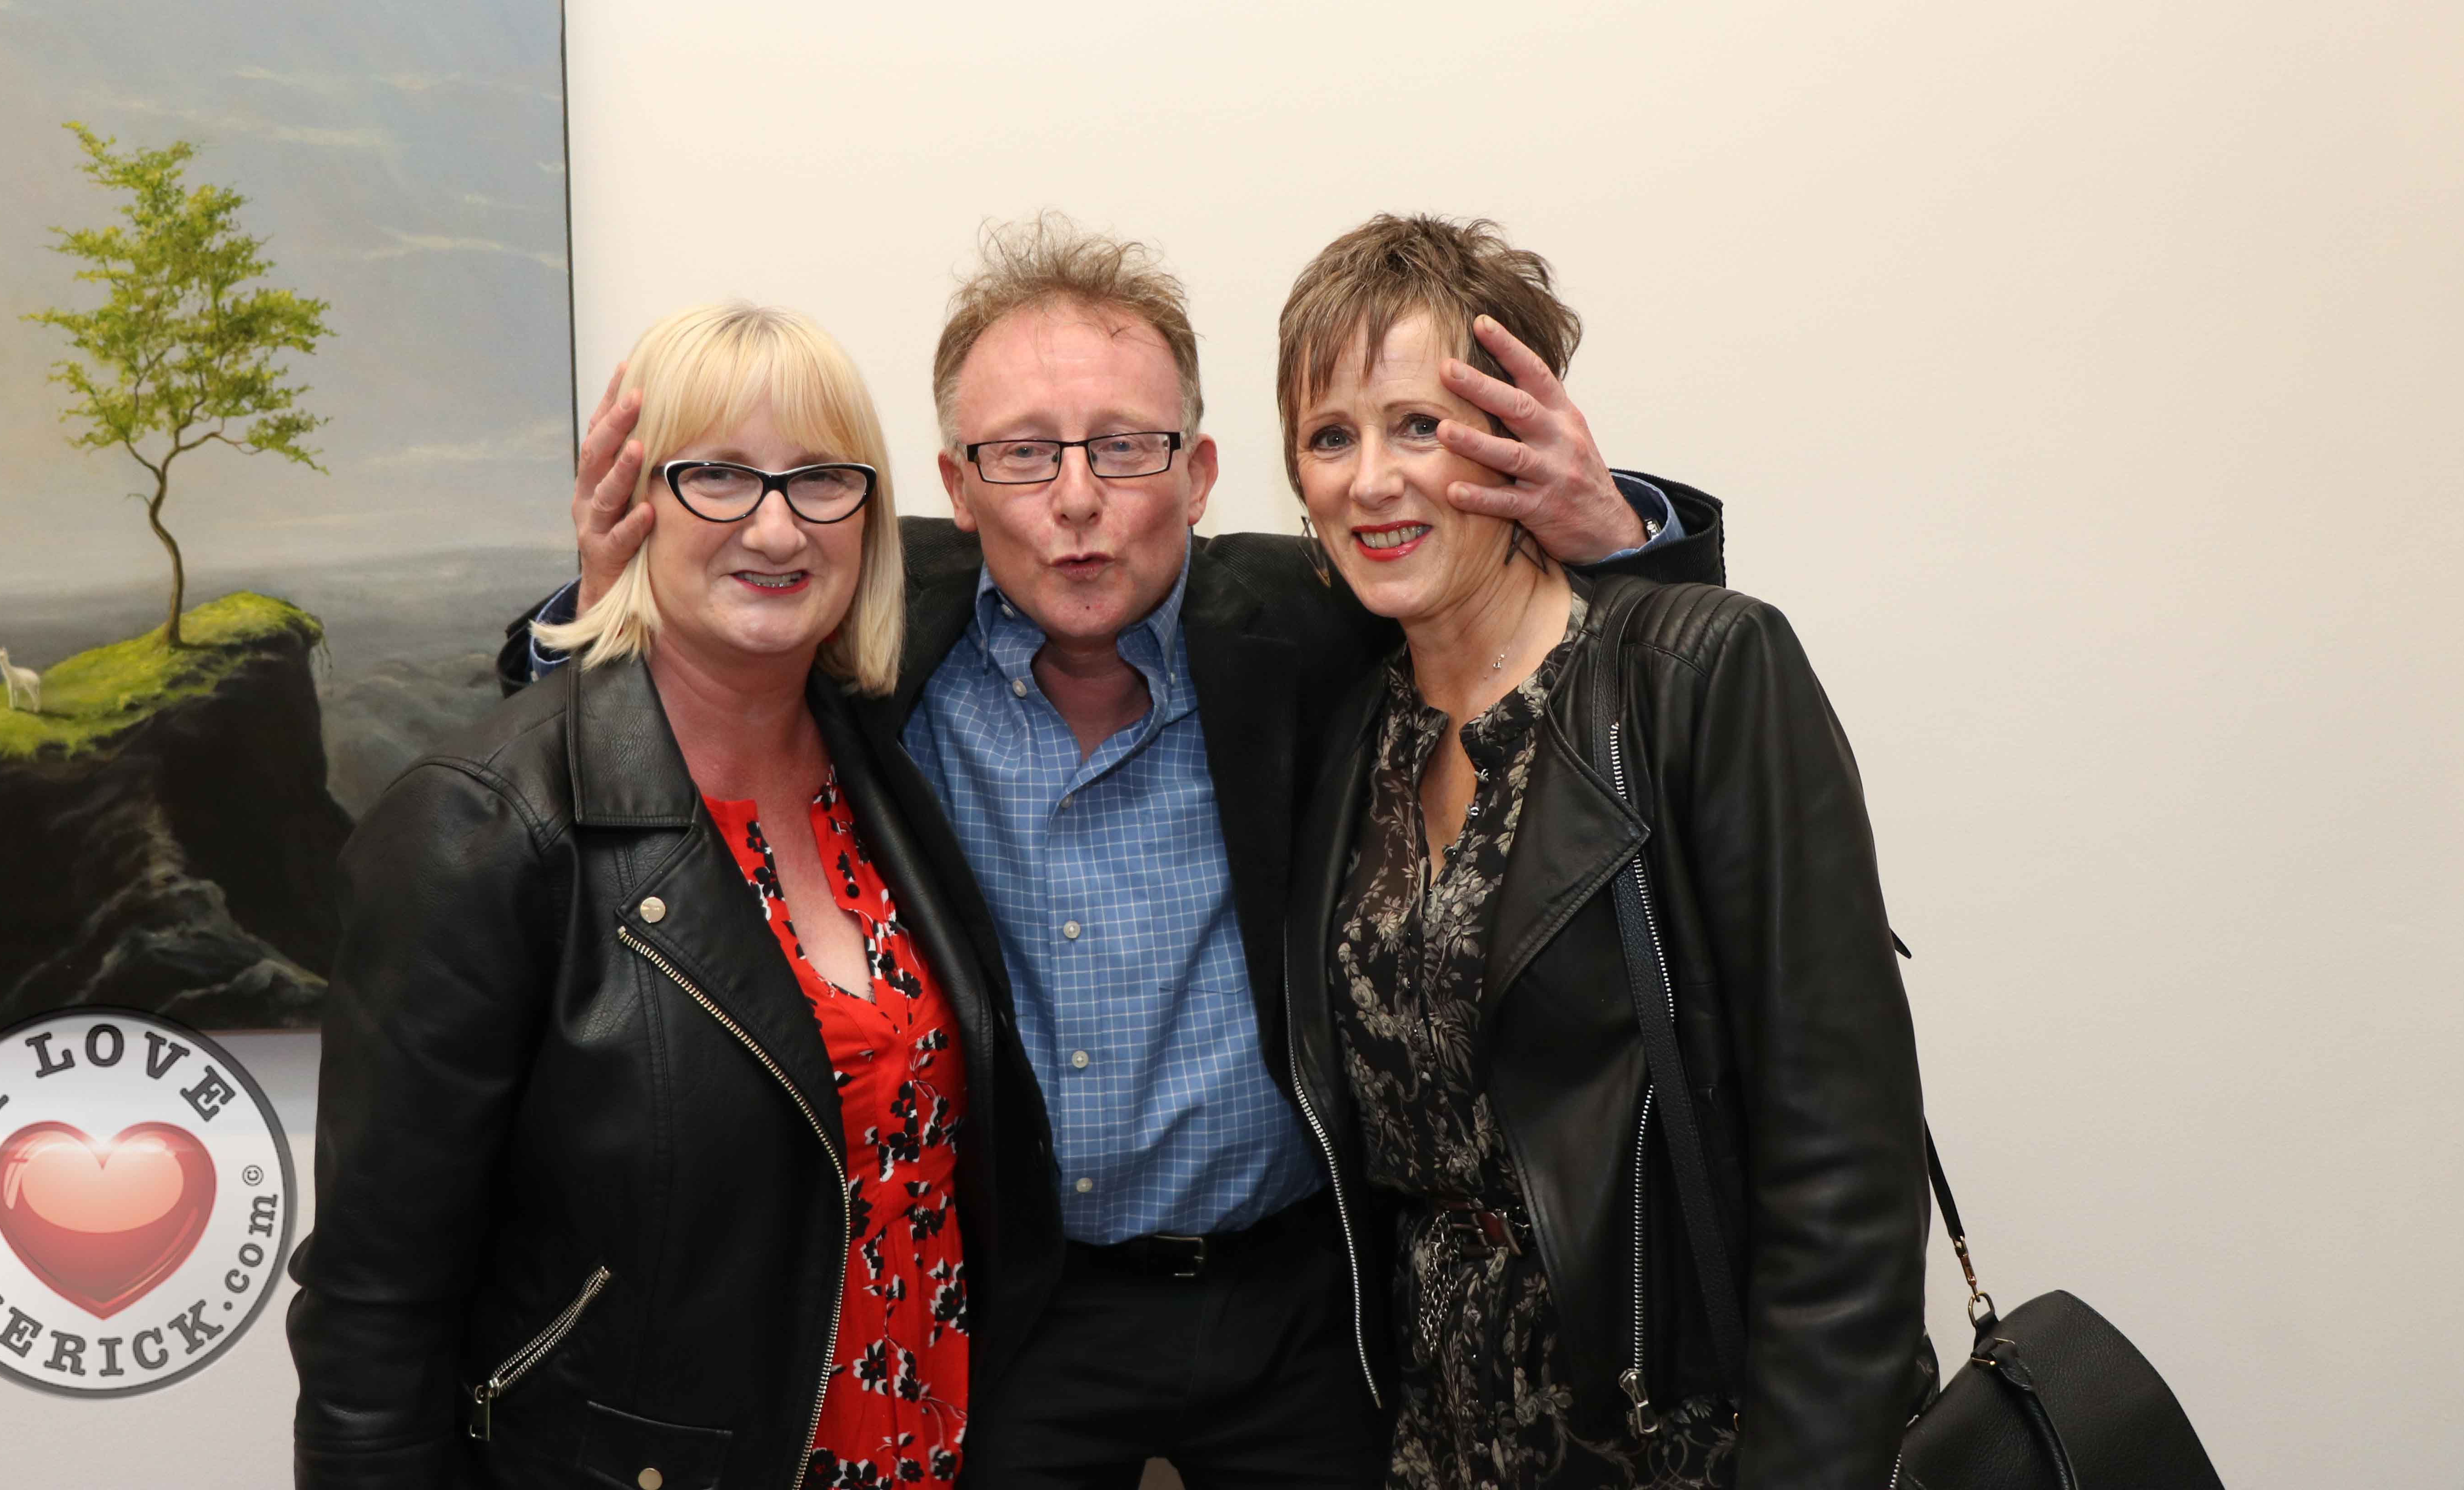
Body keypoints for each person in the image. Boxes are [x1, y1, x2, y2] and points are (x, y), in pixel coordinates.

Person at [502, 217, 1731, 1488]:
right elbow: (662, 693)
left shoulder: (1318, 621)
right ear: (956, 486)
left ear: (1200, 476)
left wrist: (1616, 533)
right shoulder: (872, 639)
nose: (1077, 500)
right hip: (1023, 1309)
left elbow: (1578, 655)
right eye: (1023, 454)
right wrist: (598, 611)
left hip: (1301, 1307)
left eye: (1126, 448)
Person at [291, 304, 999, 1490]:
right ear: (630, 505)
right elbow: (374, 1304)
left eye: (821, 478)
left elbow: (1069, 534)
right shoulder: (483, 827)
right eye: (715, 475)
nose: (776, 525)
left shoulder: (877, 767)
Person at [1274, 216, 1931, 1490]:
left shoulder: (1699, 675)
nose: (1372, 480)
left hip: (1678, 1436)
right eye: (1329, 437)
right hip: (1436, 1442)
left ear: (1518, 434)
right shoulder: (1353, 733)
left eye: (1418, 425)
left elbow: (1844, 1156)